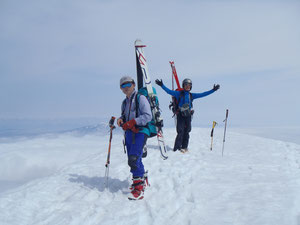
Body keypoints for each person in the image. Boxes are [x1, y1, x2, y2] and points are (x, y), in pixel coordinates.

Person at [155, 78, 220, 153]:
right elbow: (168, 91)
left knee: (187, 131)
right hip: (180, 115)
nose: (187, 86)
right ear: (183, 85)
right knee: (180, 131)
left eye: (189, 85)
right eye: (186, 85)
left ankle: (184, 147)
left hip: (188, 115)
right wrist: (162, 85)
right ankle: (176, 149)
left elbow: (203, 94)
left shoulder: (192, 95)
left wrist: (213, 90)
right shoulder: (178, 94)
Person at [117, 76, 152, 200]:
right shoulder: (124, 102)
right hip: (129, 133)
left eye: (128, 85)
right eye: (123, 86)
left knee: (133, 158)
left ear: (133, 85)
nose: (126, 88)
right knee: (134, 157)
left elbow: (148, 116)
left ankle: (139, 189)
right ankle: (142, 178)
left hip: (141, 131)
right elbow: (124, 115)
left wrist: (133, 122)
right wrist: (121, 119)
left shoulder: (140, 98)